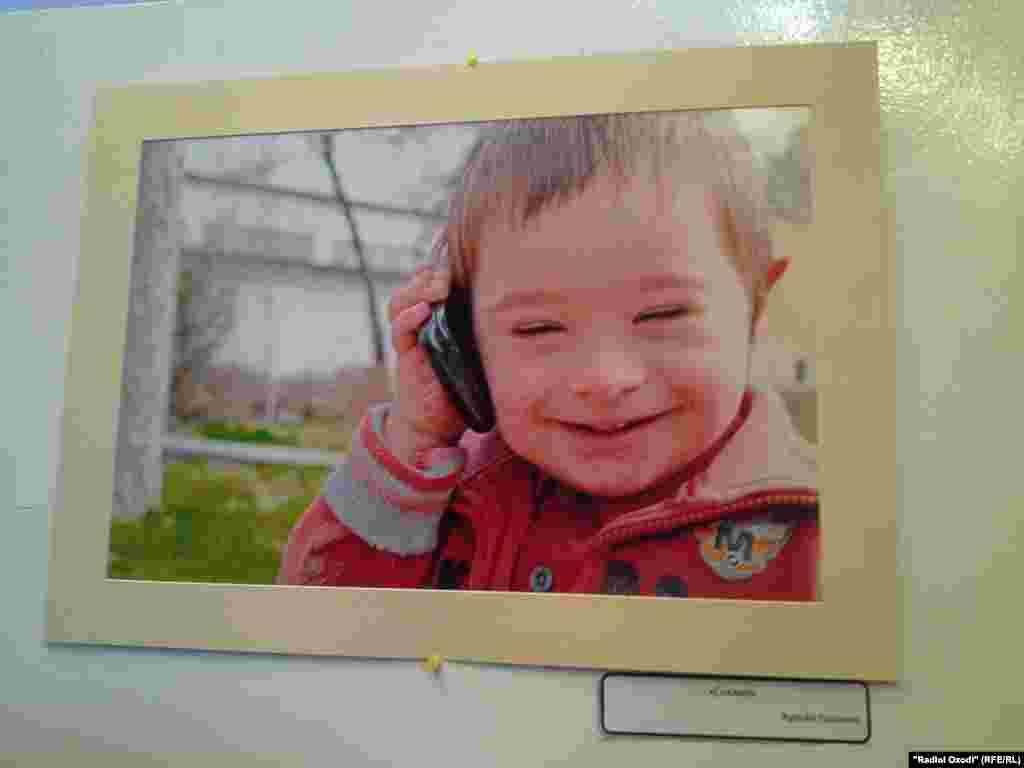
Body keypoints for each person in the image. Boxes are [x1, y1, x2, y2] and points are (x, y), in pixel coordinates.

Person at [277, 111, 819, 600]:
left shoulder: (818, 534)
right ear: (462, 340)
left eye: (663, 315)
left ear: (756, 304)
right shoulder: (446, 499)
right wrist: (413, 439)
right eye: (539, 328)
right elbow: (310, 625)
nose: (604, 380)